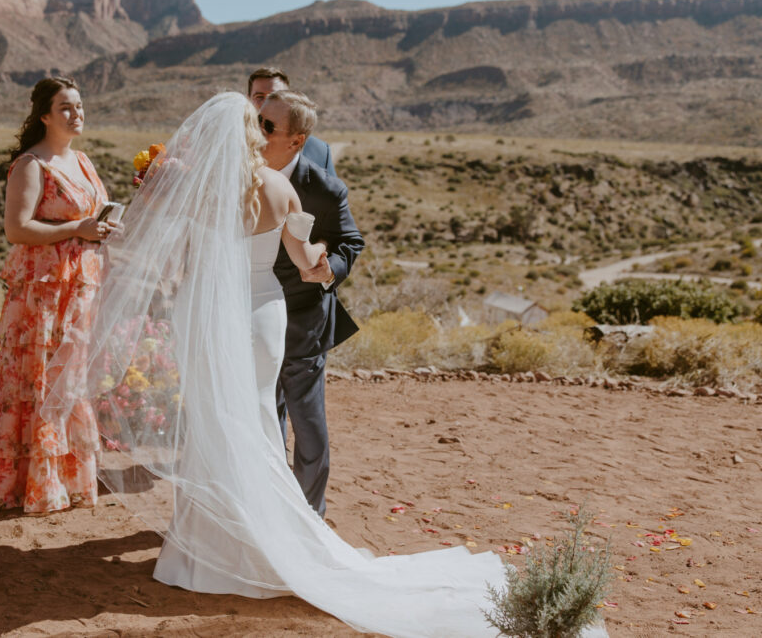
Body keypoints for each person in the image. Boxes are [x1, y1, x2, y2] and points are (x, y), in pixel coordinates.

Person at [39, 93, 582, 637]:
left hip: (205, 317)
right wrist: (322, 264)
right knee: (253, 421)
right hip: (261, 315)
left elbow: (139, 239)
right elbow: (308, 265)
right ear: (256, 136)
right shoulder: (279, 189)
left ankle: (206, 551)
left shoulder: (194, 191)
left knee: (211, 421)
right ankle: (266, 542)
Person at [0, 76, 119, 513]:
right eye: (65, 107)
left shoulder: (82, 161)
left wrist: (100, 230)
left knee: (71, 376)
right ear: (44, 115)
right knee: (39, 378)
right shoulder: (31, 165)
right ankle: (33, 486)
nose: (76, 113)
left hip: (80, 283)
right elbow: (16, 229)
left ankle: (69, 481)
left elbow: (89, 219)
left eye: (79, 106)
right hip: (42, 292)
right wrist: (75, 230)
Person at [259, 89, 364, 517]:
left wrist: (329, 269)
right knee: (263, 419)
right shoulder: (233, 174)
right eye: (256, 119)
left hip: (302, 316)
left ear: (297, 141)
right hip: (247, 317)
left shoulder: (323, 188)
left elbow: (349, 243)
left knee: (306, 424)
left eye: (268, 126)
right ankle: (263, 511)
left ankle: (308, 520)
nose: (257, 129)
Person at [247, 66, 335, 175]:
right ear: (248, 100)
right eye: (260, 97)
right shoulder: (231, 146)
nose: (266, 103)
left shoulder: (319, 151)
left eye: (275, 97)